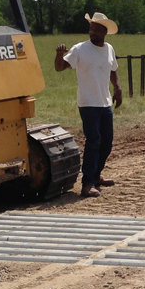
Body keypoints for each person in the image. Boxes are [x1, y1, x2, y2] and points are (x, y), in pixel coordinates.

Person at [55, 12, 122, 197]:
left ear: (104, 32)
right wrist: (59, 55)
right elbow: (60, 67)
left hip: (105, 103)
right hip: (88, 103)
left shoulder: (109, 49)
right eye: (91, 28)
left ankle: (96, 175)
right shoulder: (80, 49)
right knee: (94, 141)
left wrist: (117, 88)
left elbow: (113, 70)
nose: (92, 31)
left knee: (106, 143)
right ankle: (87, 184)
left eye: (96, 29)